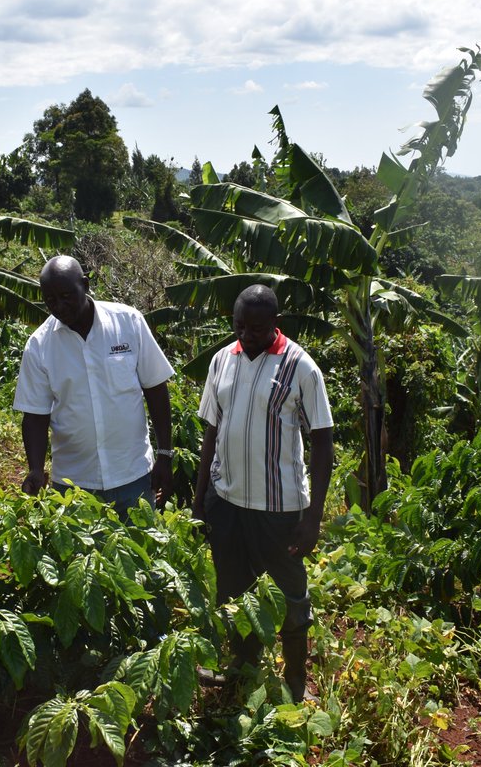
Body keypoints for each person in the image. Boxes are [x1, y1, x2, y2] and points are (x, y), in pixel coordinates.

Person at [193, 284, 333, 701]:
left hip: (278, 508)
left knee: (291, 596)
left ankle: (295, 682)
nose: (246, 335)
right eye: (239, 326)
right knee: (233, 591)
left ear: (275, 324)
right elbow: (210, 432)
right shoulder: (222, 360)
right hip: (228, 501)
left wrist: (313, 517)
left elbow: (323, 442)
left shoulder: (300, 368)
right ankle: (241, 667)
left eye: (255, 328)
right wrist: (200, 499)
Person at [14, 255, 174, 517]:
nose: (59, 306)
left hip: (133, 476)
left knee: (137, 555)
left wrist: (165, 454)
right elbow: (34, 415)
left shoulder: (128, 323)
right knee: (80, 558)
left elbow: (156, 389)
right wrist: (35, 468)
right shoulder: (39, 346)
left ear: (85, 285)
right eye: (50, 300)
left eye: (66, 295)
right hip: (73, 485)